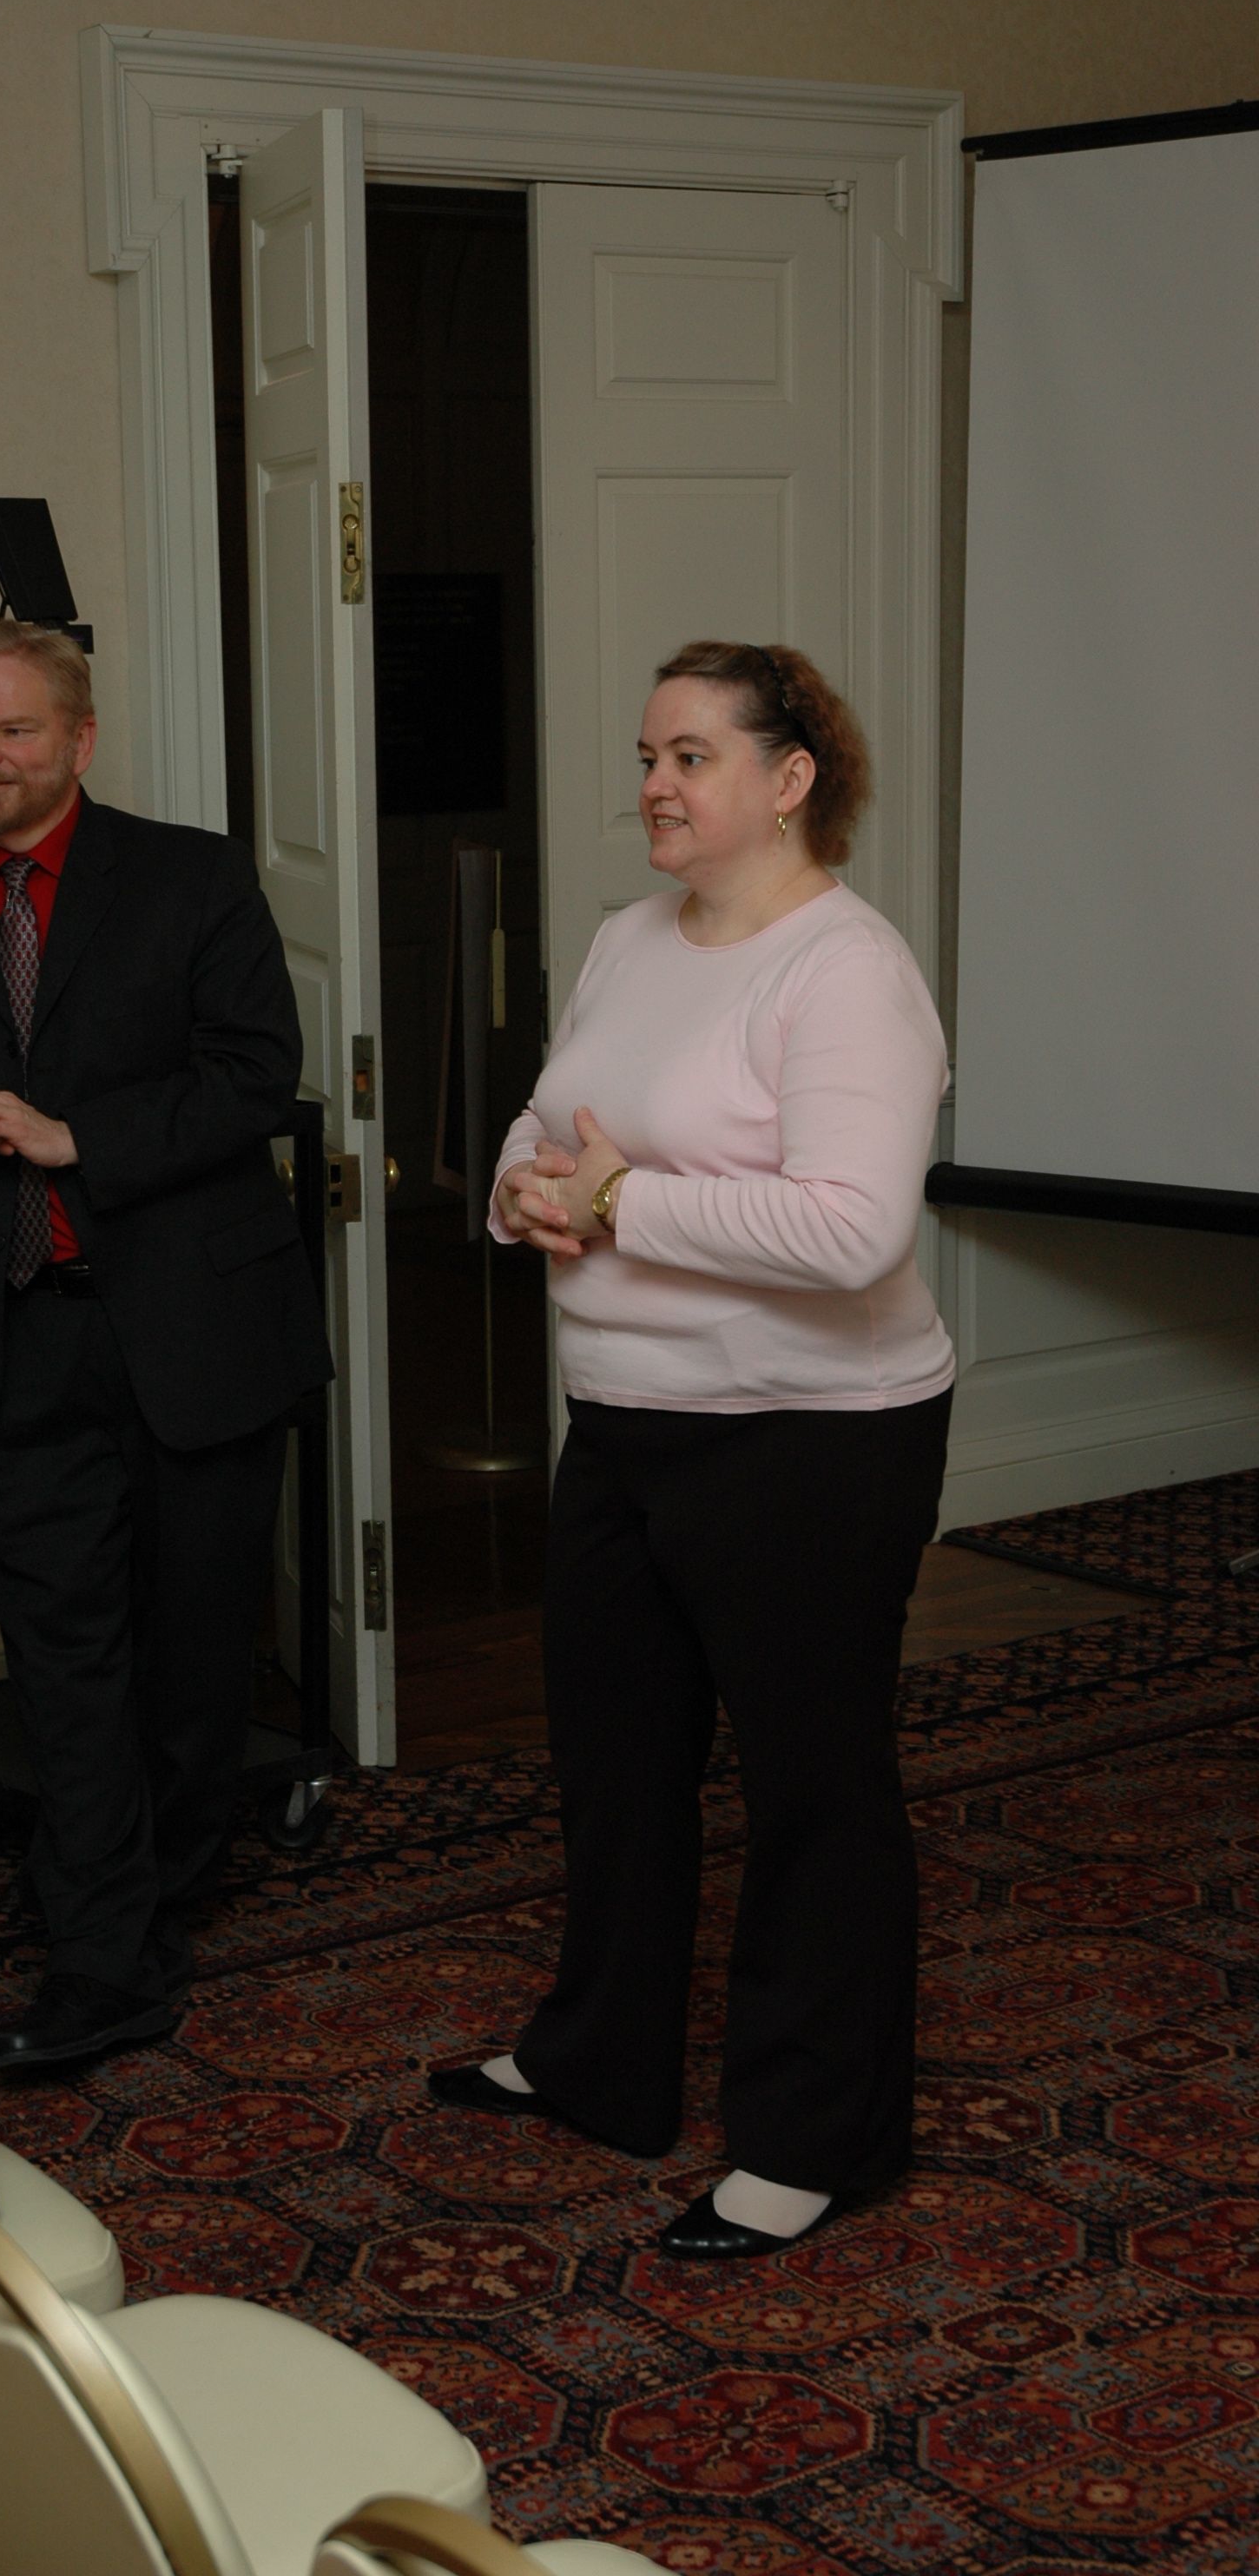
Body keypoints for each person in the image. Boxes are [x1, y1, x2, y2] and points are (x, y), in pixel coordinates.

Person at [427, 641, 954, 2257]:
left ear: (790, 780)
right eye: (648, 757)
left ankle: (816, 2138)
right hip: (621, 1418)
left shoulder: (846, 970)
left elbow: (854, 1230)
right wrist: (524, 1190)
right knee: (616, 1762)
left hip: (812, 1437)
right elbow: (548, 1123)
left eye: (691, 757)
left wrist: (619, 1201)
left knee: (812, 1791)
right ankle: (600, 2059)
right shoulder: (625, 937)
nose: (654, 785)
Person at [0, 620, 330, 2071]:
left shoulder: (193, 876)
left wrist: (72, 1137)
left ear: (80, 739)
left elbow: (256, 1077)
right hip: (9, 1341)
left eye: (15, 730)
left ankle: (152, 1896)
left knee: (194, 1660)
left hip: (194, 1335)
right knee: (66, 1670)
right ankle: (107, 1962)